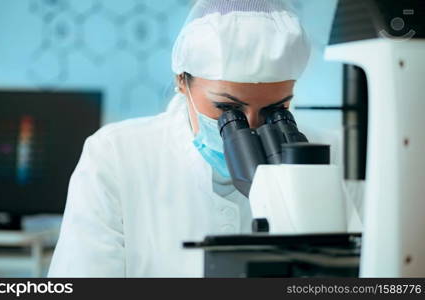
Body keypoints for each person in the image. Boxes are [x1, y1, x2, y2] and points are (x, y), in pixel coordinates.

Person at [48, 0, 313, 277]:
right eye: (227, 109)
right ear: (181, 81)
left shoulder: (321, 158)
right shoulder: (116, 153)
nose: (252, 128)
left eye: (276, 110)